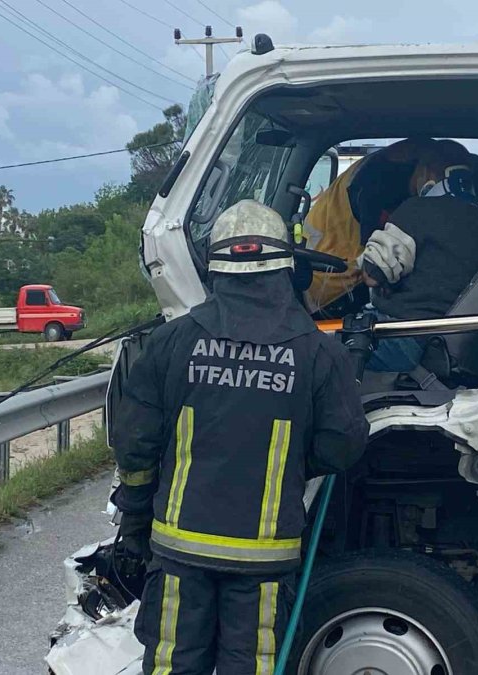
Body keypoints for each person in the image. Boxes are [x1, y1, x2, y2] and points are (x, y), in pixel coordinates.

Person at [111, 200, 369, 675]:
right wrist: (292, 456)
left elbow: (135, 446)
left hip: (179, 556)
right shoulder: (319, 353)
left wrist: (135, 521)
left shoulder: (171, 343)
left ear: (215, 271)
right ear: (287, 270)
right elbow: (342, 446)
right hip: (263, 565)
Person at [361, 141, 478, 372]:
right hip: (461, 349)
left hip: (402, 339)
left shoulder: (417, 209)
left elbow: (372, 275)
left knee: (314, 353)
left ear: (426, 172)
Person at [303, 138, 438, 312]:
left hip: (330, 267)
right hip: (331, 279)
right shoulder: (379, 183)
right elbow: (373, 265)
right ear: (426, 170)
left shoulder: (393, 166)